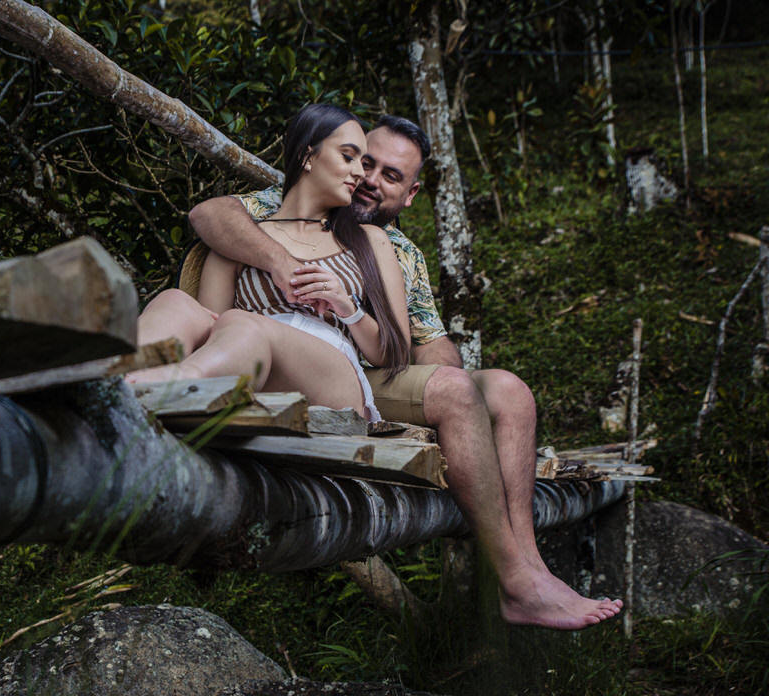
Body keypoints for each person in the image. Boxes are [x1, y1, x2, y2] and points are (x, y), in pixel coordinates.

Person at [186, 114, 623, 631]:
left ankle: (527, 566)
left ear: (411, 194)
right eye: (364, 161)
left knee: (509, 392)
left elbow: (433, 347)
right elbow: (212, 215)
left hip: (379, 367)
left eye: (390, 176)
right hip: (317, 367)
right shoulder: (285, 205)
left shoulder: (400, 253)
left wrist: (420, 369)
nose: (369, 179)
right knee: (453, 392)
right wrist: (279, 260)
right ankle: (519, 579)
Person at [128, 104, 409, 422]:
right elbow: (210, 325)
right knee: (175, 302)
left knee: (246, 325)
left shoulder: (369, 240)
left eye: (362, 161)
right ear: (307, 157)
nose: (360, 173)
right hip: (244, 358)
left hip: (331, 379)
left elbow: (394, 353)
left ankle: (159, 387)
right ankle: (112, 374)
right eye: (349, 156)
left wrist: (347, 306)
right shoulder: (242, 241)